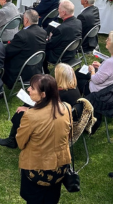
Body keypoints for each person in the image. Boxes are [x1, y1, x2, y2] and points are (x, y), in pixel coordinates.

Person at [16, 74, 72, 204]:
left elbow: (20, 142)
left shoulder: (30, 116)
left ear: (43, 94)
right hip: (60, 167)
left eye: (32, 88)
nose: (28, 90)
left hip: (36, 169)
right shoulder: (66, 107)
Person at [0, 64, 80, 148]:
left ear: (60, 77)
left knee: (21, 113)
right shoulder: (72, 88)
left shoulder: (61, 94)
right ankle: (13, 138)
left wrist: (29, 109)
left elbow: (49, 110)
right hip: (61, 117)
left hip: (54, 121)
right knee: (27, 104)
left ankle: (12, 140)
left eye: (55, 74)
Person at [3, 10, 47, 89]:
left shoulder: (22, 35)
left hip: (22, 69)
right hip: (37, 67)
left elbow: (8, 51)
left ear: (26, 20)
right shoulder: (43, 32)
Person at [78, 30, 113, 95]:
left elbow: (96, 80)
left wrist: (92, 70)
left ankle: (80, 101)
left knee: (78, 77)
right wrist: (100, 66)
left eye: (108, 39)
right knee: (80, 72)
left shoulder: (111, 62)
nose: (106, 41)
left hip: (99, 92)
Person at [44, 0, 82, 65]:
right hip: (71, 53)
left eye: (59, 9)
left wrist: (47, 39)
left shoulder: (61, 29)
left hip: (59, 57)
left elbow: (49, 45)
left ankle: (44, 70)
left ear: (64, 12)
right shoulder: (78, 22)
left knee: (39, 48)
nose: (58, 10)